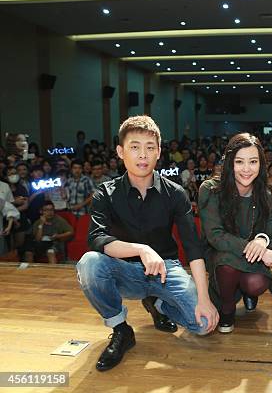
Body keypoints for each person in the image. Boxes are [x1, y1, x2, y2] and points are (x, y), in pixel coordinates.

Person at [76, 116, 218, 372]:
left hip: (165, 270)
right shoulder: (105, 193)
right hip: (124, 270)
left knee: (203, 324)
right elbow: (97, 239)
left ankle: (158, 303)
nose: (143, 155)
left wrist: (205, 299)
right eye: (134, 147)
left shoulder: (175, 193)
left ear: (159, 152)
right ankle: (121, 329)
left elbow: (194, 248)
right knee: (89, 263)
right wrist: (140, 249)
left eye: (150, 147)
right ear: (120, 151)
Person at [199, 133, 272, 333]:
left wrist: (262, 242)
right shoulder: (211, 190)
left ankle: (246, 292)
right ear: (229, 163)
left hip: (252, 258)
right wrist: (256, 248)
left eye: (253, 162)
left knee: (256, 283)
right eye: (239, 162)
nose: (246, 169)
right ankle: (227, 307)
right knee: (227, 263)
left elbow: (267, 233)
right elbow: (216, 236)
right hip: (222, 254)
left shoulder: (265, 194)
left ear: (261, 164)